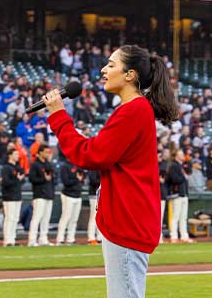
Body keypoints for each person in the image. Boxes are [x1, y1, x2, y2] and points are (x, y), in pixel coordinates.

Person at [42, 45, 178, 298]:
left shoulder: (134, 109)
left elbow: (91, 155)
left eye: (112, 64)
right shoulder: (135, 109)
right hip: (129, 219)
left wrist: (59, 117)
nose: (104, 69)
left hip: (128, 221)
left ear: (130, 75)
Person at [27, 144, 55, 246]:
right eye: (46, 152)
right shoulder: (35, 165)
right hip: (39, 194)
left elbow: (53, 177)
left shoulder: (48, 164)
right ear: (40, 153)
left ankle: (43, 238)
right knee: (37, 218)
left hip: (48, 194)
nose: (48, 154)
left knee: (46, 219)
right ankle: (32, 239)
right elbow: (32, 179)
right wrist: (44, 179)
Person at [167, 149, 194, 244]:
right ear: (176, 155)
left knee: (183, 217)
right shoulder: (173, 166)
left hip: (184, 193)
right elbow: (175, 179)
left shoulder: (182, 165)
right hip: (176, 194)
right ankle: (173, 236)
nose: (183, 155)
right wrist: (184, 176)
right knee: (175, 217)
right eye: (181, 154)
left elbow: (190, 170)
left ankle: (184, 236)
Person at [56, 161, 84, 246]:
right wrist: (77, 179)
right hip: (68, 195)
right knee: (65, 217)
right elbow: (66, 182)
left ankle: (71, 238)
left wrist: (80, 179)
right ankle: (60, 239)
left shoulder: (79, 165)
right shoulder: (65, 166)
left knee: (74, 219)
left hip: (78, 195)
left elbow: (83, 179)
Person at [1, 149, 25, 246]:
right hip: (9, 196)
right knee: (9, 218)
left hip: (17, 195)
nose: (17, 156)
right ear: (10, 155)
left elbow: (20, 182)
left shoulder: (17, 167)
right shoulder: (6, 168)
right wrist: (17, 179)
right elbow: (6, 183)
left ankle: (13, 238)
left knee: (15, 218)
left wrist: (19, 180)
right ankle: (7, 240)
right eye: (15, 154)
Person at [87, 170, 101, 245]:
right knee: (93, 216)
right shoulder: (94, 169)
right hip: (94, 195)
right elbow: (93, 180)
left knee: (100, 217)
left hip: (100, 194)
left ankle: (99, 237)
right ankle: (91, 237)